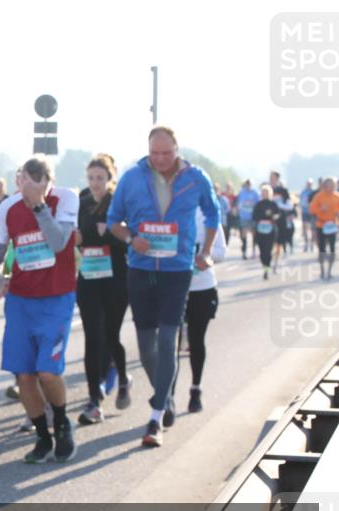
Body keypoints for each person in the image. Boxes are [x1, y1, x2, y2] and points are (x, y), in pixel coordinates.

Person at [106, 126, 219, 447]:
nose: (159, 159)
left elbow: (214, 214)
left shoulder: (196, 178)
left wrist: (207, 252)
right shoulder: (131, 178)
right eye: (154, 153)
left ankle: (155, 417)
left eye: (166, 153)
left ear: (177, 150)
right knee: (145, 347)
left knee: (168, 339)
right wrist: (131, 238)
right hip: (140, 269)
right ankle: (165, 395)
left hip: (177, 269)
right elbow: (115, 221)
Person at [0, 156, 79, 463]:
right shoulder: (8, 207)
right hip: (21, 302)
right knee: (24, 376)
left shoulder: (65, 198)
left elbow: (57, 243)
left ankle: (62, 423)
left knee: (48, 372)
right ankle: (42, 436)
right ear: (19, 179)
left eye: (38, 184)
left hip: (56, 300)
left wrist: (40, 206)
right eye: (25, 181)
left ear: (48, 183)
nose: (29, 189)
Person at [75, 154, 131, 425]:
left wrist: (108, 232)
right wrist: (79, 240)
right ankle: (94, 400)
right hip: (89, 277)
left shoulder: (118, 204)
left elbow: (129, 240)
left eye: (100, 178)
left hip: (116, 278)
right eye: (91, 178)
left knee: (110, 335)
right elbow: (78, 238)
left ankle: (122, 378)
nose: (95, 183)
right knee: (91, 338)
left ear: (110, 179)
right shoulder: (82, 203)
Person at [180, 209, 226, 413]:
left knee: (196, 340)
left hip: (203, 288)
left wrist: (205, 256)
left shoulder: (209, 216)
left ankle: (195, 389)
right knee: (171, 345)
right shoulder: (172, 210)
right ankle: (167, 400)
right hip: (175, 288)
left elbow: (221, 252)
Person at [309, 176, 338, 281]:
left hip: (332, 226)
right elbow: (311, 209)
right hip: (321, 225)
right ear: (324, 186)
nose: (330, 187)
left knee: (332, 249)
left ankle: (329, 271)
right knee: (322, 249)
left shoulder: (336, 196)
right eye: (328, 185)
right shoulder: (319, 196)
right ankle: (322, 270)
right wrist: (321, 208)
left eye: (332, 185)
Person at [252, 185, 280, 280]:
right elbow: (254, 216)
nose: (265, 194)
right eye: (263, 193)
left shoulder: (273, 204)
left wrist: (273, 216)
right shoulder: (258, 204)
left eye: (266, 192)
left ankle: (266, 270)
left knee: (268, 250)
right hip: (260, 230)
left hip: (270, 230)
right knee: (262, 251)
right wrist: (262, 217)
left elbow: (278, 214)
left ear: (270, 194)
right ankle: (265, 265)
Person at [235, 179, 259, 259]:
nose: (248, 185)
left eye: (250, 184)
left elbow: (258, 204)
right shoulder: (242, 193)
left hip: (253, 217)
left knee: (253, 235)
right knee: (244, 235)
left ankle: (253, 251)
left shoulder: (255, 193)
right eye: (247, 184)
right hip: (244, 217)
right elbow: (238, 204)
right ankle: (244, 252)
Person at [300, 178, 317, 253]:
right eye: (308, 183)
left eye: (310, 183)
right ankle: (306, 243)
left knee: (313, 229)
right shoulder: (303, 192)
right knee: (305, 229)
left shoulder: (314, 192)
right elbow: (301, 202)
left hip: (312, 212)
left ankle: (312, 244)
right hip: (305, 212)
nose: (309, 185)